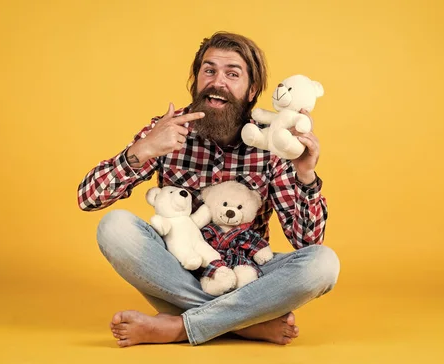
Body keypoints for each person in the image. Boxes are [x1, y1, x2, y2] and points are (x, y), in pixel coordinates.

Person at [77, 31, 340, 347]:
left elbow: (307, 241)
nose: (218, 81)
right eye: (209, 70)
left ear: (252, 89)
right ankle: (243, 323)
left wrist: (306, 175)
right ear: (196, 79)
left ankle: (180, 327)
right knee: (114, 227)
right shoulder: (167, 130)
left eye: (232, 73)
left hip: (248, 273)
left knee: (323, 264)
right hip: (180, 269)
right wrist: (144, 148)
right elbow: (88, 198)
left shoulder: (273, 143)